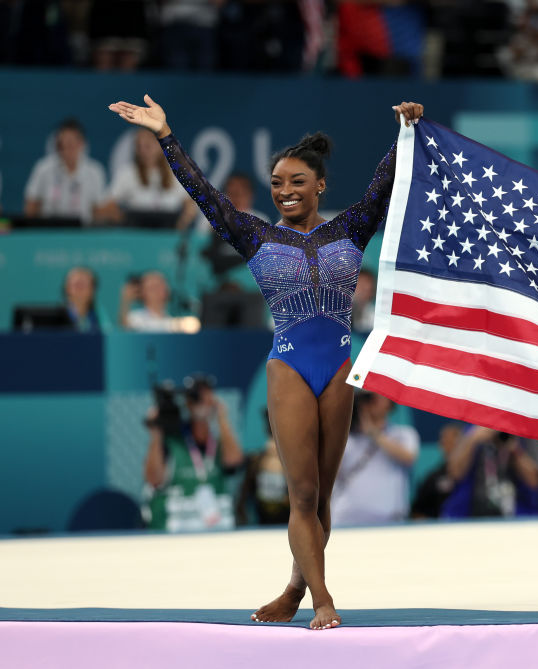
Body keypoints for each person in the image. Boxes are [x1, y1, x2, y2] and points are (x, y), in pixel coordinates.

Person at [108, 93, 424, 630]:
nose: (284, 192)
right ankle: (324, 601)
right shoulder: (255, 234)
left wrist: (406, 131)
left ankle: (294, 591)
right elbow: (203, 193)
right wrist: (166, 135)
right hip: (291, 367)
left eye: (297, 182)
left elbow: (385, 183)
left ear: (320, 185)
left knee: (321, 497)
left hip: (340, 369)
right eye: (277, 184)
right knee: (301, 493)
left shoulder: (350, 227)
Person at [142, 375, 245, 532]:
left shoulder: (219, 445)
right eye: (197, 397)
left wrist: (222, 419)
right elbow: (154, 480)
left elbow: (234, 461)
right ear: (187, 403)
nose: (202, 403)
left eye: (207, 396)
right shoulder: (171, 443)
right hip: (176, 533)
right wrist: (156, 434)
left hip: (216, 533)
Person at [329, 390, 420, 525]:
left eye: (377, 395)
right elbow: (329, 474)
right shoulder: (346, 439)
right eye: (369, 397)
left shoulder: (403, 434)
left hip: (389, 519)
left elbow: (408, 457)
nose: (372, 400)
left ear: (390, 403)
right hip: (346, 519)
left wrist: (373, 432)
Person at [96, 129, 196, 229]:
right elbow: (106, 207)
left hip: (168, 235)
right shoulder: (127, 173)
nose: (143, 151)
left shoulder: (177, 172)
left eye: (147, 146)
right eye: (139, 146)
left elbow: (190, 206)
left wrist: (180, 226)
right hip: (135, 235)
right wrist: (123, 219)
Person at [441, 426, 538, 518]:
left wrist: (514, 450)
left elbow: (535, 482)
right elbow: (455, 473)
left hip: (513, 515)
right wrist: (473, 439)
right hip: (470, 515)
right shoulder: (471, 432)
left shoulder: (519, 433)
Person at [23, 118, 106, 224]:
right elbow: (31, 206)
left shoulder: (95, 171)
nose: (66, 150)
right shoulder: (43, 169)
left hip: (82, 233)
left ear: (81, 144)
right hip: (49, 230)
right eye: (62, 145)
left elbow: (98, 210)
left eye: (71, 144)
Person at [236, 409, 290, 526]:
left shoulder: (294, 461)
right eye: (270, 423)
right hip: (263, 526)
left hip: (288, 525)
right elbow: (242, 498)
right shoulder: (256, 460)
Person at [63, 266, 109, 332]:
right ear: (67, 288)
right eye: (76, 285)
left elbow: (107, 334)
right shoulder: (58, 315)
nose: (79, 289)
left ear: (92, 290)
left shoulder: (99, 314)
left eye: (83, 285)